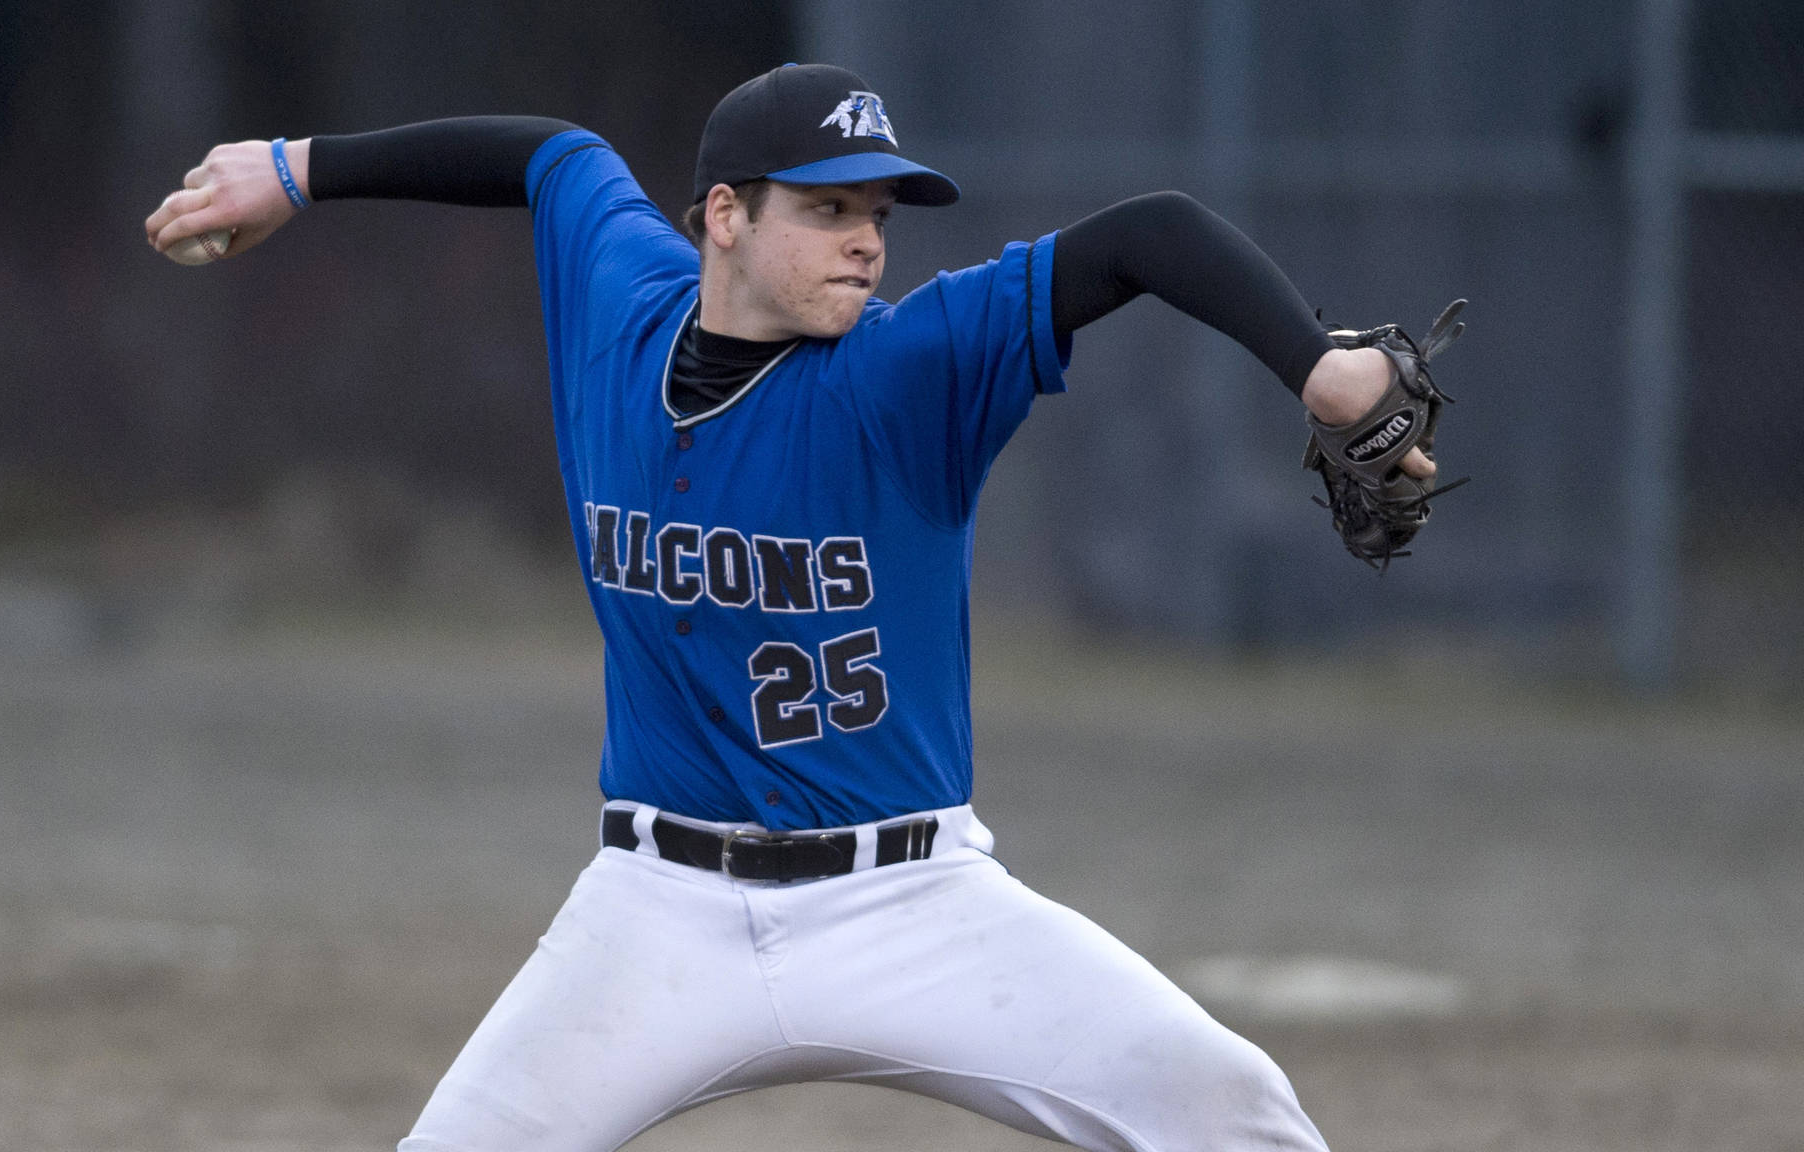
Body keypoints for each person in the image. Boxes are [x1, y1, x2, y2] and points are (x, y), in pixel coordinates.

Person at [147, 63, 1435, 1152]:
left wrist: (1318, 365)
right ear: (722, 216)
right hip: (655, 914)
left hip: (914, 907)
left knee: (1229, 1102)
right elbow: (548, 154)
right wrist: (294, 165)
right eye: (825, 211)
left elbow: (1147, 234)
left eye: (875, 211)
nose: (867, 241)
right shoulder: (616, 308)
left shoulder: (913, 369)